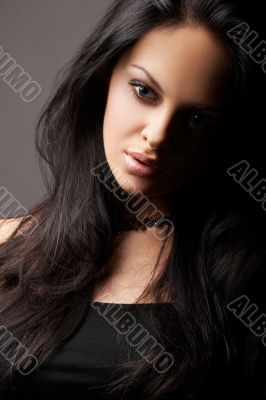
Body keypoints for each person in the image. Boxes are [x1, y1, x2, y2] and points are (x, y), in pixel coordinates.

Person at [0, 0, 265, 399]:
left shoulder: (244, 277)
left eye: (197, 118)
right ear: (104, 76)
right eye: (143, 91)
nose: (158, 135)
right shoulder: (8, 245)